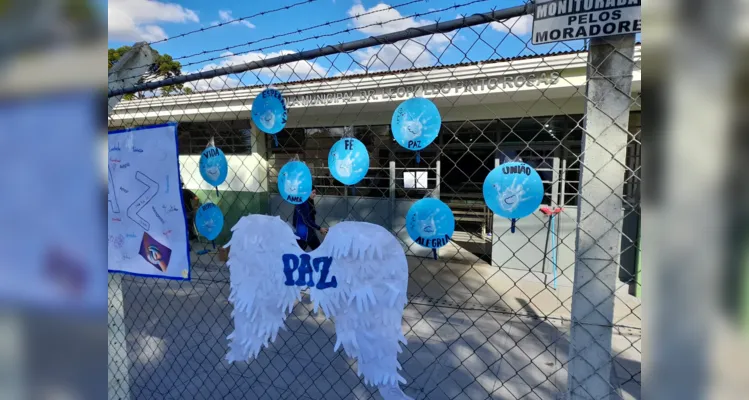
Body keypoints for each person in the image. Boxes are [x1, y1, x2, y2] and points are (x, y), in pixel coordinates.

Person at [294, 186, 327, 250]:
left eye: (315, 193)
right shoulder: (304, 203)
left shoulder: (306, 202)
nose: (315, 195)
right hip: (306, 233)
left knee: (299, 252)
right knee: (318, 250)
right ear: (307, 192)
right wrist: (319, 228)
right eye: (313, 192)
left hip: (304, 232)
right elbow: (307, 220)